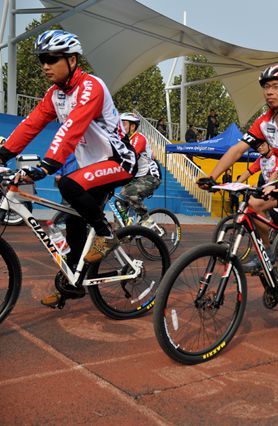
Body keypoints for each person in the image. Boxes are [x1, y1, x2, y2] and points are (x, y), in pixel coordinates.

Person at [0, 30, 137, 307]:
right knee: (74, 221)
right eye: (42, 60)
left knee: (67, 183)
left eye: (51, 58)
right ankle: (73, 286)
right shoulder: (55, 94)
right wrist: (3, 153)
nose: (45, 66)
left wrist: (49, 164)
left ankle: (106, 235)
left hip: (118, 162)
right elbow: (31, 125)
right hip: (92, 167)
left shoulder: (91, 87)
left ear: (72, 60)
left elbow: (72, 127)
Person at [196, 64, 278, 327]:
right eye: (267, 87)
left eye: (276, 87)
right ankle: (267, 255)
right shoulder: (265, 121)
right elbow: (238, 149)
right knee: (252, 205)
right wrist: (213, 177)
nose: (269, 92)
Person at [115, 112, 161, 225]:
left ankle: (147, 220)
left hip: (150, 176)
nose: (120, 127)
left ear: (133, 126)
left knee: (128, 193)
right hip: (136, 178)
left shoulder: (138, 138)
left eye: (124, 124)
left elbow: (129, 158)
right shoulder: (123, 141)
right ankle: (123, 232)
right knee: (118, 203)